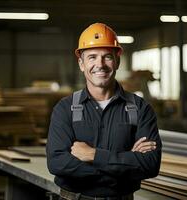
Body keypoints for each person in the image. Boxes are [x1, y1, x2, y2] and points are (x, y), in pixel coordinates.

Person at [46, 23, 162, 200]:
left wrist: (93, 155)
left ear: (117, 61)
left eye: (107, 56)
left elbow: (150, 165)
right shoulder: (65, 108)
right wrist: (126, 162)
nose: (100, 64)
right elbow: (57, 163)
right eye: (92, 57)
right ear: (81, 63)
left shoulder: (140, 108)